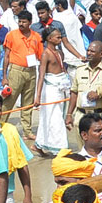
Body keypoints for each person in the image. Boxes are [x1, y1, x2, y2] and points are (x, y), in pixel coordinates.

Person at [2, 10, 43, 140]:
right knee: (9, 100)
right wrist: (4, 76)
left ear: (30, 22)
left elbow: (41, 56)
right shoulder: (11, 35)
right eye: (19, 21)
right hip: (16, 70)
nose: (21, 24)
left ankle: (27, 131)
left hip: (31, 70)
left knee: (28, 102)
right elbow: (6, 56)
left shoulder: (36, 36)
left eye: (24, 22)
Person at [66, 39, 102, 128]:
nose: (89, 53)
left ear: (101, 54)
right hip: (81, 116)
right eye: (88, 50)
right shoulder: (80, 69)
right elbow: (74, 92)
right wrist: (69, 114)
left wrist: (99, 93)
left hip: (101, 117)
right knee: (81, 141)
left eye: (92, 51)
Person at [34, 26, 71, 157]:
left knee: (59, 115)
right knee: (52, 117)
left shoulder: (60, 53)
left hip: (62, 87)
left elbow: (63, 69)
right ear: (49, 39)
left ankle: (41, 143)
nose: (60, 39)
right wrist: (37, 97)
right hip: (50, 89)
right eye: (58, 37)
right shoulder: (45, 54)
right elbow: (41, 75)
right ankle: (59, 148)